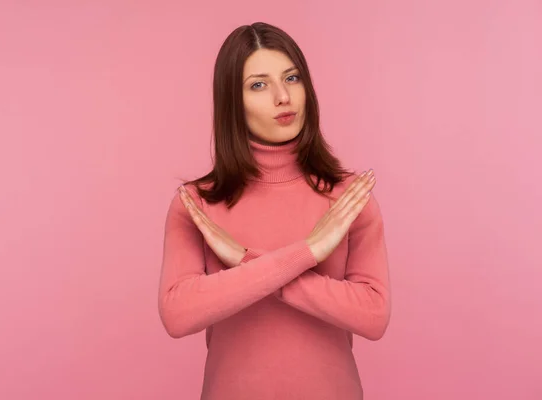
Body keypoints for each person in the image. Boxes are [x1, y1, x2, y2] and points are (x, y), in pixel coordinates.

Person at [158, 21, 391, 400]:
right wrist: (308, 252)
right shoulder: (197, 204)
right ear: (233, 101)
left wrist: (244, 260)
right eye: (259, 85)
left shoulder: (348, 198)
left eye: (292, 78)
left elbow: (373, 315)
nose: (283, 97)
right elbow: (178, 314)